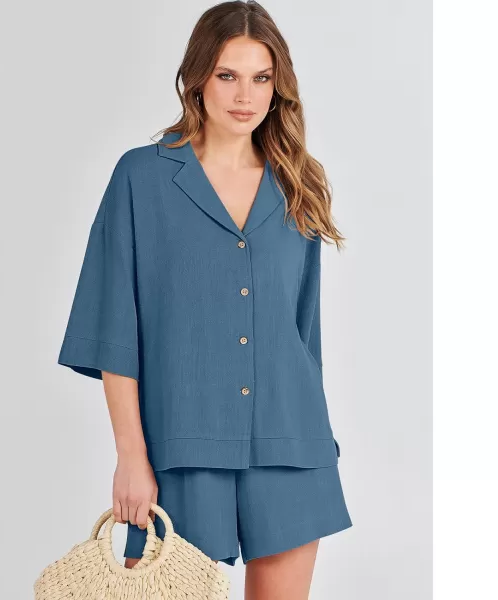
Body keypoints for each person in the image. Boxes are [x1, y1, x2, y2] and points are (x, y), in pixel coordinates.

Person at [57, 1, 352, 597]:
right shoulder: (142, 177)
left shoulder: (298, 182)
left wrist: (317, 440)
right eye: (227, 75)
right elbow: (116, 329)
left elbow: (304, 330)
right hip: (183, 444)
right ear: (197, 78)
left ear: (278, 86)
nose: (245, 95)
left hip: (289, 443)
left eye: (261, 78)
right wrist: (131, 457)